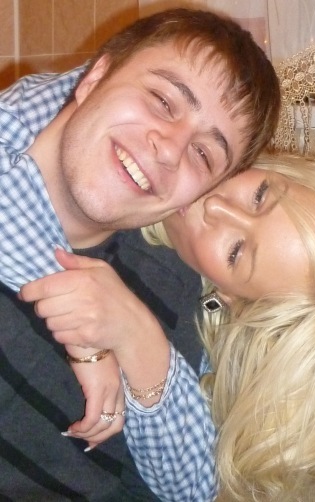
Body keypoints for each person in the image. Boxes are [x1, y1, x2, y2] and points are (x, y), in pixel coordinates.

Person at [0, 8, 280, 499]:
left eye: (203, 154)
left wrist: (134, 333)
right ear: (95, 77)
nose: (169, 149)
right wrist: (83, 334)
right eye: (162, 101)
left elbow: (193, 489)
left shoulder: (172, 291)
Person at [21, 153, 315, 501]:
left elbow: (188, 490)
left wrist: (137, 338)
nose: (217, 205)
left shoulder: (172, 306)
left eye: (236, 251)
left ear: (232, 298)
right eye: (259, 195)